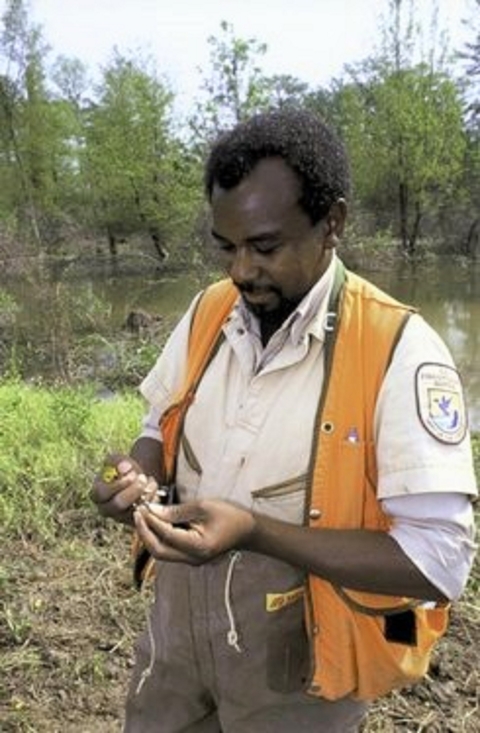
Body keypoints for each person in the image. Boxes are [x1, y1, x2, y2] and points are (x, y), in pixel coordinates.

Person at [92, 108, 478, 733]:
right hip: (176, 640)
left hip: (301, 655)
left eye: (265, 246)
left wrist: (255, 532)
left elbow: (436, 560)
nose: (241, 270)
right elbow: (157, 420)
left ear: (333, 224)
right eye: (227, 246)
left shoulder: (399, 349)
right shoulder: (210, 311)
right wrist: (138, 470)